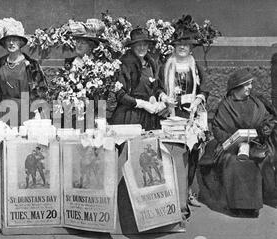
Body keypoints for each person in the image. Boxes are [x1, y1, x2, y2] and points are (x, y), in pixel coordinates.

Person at [201, 69, 277, 217]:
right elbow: (217, 129)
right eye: (246, 85)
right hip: (233, 147)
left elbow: (268, 119)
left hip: (257, 143)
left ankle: (257, 204)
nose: (250, 87)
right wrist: (235, 140)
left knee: (263, 158)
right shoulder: (226, 105)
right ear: (236, 88)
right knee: (235, 162)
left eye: (250, 84)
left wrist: (264, 129)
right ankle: (239, 205)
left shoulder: (257, 102)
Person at [162, 26, 209, 209]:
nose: (182, 47)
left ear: (191, 48)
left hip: (191, 115)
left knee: (193, 152)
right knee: (173, 153)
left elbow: (205, 87)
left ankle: (187, 191)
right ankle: (173, 194)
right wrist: (164, 97)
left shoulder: (195, 67)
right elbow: (158, 87)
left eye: (186, 45)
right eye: (179, 44)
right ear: (174, 47)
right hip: (172, 114)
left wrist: (198, 99)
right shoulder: (167, 66)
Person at [110, 28, 167, 131]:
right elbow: (120, 94)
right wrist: (142, 104)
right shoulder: (124, 64)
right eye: (138, 45)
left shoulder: (151, 63)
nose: (141, 48)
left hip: (149, 117)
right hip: (130, 116)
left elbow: (156, 87)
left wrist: (162, 97)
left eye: (144, 45)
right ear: (132, 46)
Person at [0, 17, 48, 126]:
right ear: (4, 43)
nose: (11, 43)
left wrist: (38, 113)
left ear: (20, 42)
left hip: (27, 113)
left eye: (14, 40)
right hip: (4, 112)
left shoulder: (32, 65)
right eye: (8, 40)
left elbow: (41, 92)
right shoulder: (0, 63)